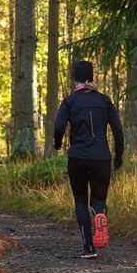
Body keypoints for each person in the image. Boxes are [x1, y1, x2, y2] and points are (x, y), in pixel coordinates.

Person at [53, 61, 124, 259]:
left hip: (78, 157)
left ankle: (88, 247)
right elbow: (117, 130)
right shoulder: (105, 100)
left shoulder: (69, 101)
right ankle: (100, 213)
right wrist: (119, 155)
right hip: (101, 157)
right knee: (98, 199)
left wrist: (57, 144)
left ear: (75, 79)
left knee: (80, 200)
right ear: (91, 78)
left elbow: (59, 128)